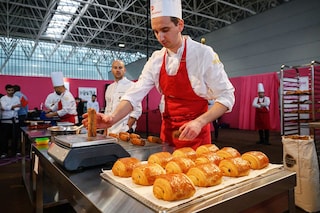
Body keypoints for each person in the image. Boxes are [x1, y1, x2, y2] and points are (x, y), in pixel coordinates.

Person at [83, 0, 234, 149]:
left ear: (180, 25)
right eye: (156, 31)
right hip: (167, 137)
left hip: (196, 135)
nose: (160, 38)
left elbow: (227, 97)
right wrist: (111, 119)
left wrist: (200, 122)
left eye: (165, 30)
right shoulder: (156, 59)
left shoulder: (203, 54)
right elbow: (135, 93)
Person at [104, 60, 142, 133]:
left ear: (124, 70)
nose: (118, 70)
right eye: (115, 68)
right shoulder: (109, 88)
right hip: (110, 131)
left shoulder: (132, 86)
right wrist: (105, 130)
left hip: (124, 130)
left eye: (120, 68)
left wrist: (127, 127)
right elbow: (107, 110)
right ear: (112, 70)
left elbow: (137, 110)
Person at [0, 84, 21, 158]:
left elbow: (18, 107)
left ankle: (15, 152)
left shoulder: (16, 98)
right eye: (9, 90)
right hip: (5, 120)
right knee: (4, 137)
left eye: (12, 90)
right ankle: (4, 152)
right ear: (6, 91)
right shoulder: (3, 98)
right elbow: (3, 107)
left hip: (15, 120)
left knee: (15, 137)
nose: (10, 92)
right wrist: (13, 106)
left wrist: (9, 107)